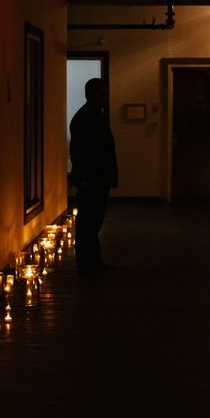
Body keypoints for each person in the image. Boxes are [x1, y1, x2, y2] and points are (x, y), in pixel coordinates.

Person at [69, 78, 118, 277]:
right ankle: (87, 261)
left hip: (96, 177)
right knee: (89, 220)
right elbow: (81, 151)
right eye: (104, 93)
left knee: (92, 219)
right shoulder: (87, 117)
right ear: (94, 94)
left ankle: (91, 259)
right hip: (93, 178)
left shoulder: (92, 115)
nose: (107, 97)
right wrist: (84, 177)